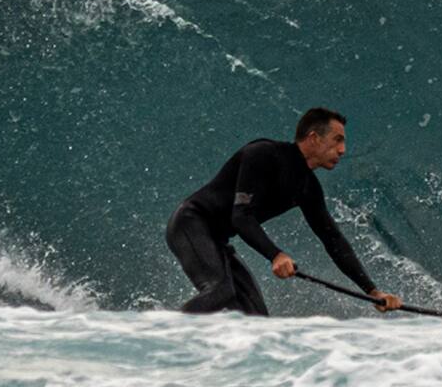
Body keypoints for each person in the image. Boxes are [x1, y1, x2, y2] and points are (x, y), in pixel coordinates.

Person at [166, 107, 402, 316]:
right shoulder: (262, 154)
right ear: (313, 138)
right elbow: (241, 216)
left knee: (255, 316)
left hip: (217, 240)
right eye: (337, 140)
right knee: (220, 290)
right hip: (191, 222)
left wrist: (372, 291)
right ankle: (160, 337)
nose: (342, 150)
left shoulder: (308, 187)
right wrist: (275, 255)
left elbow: (333, 240)